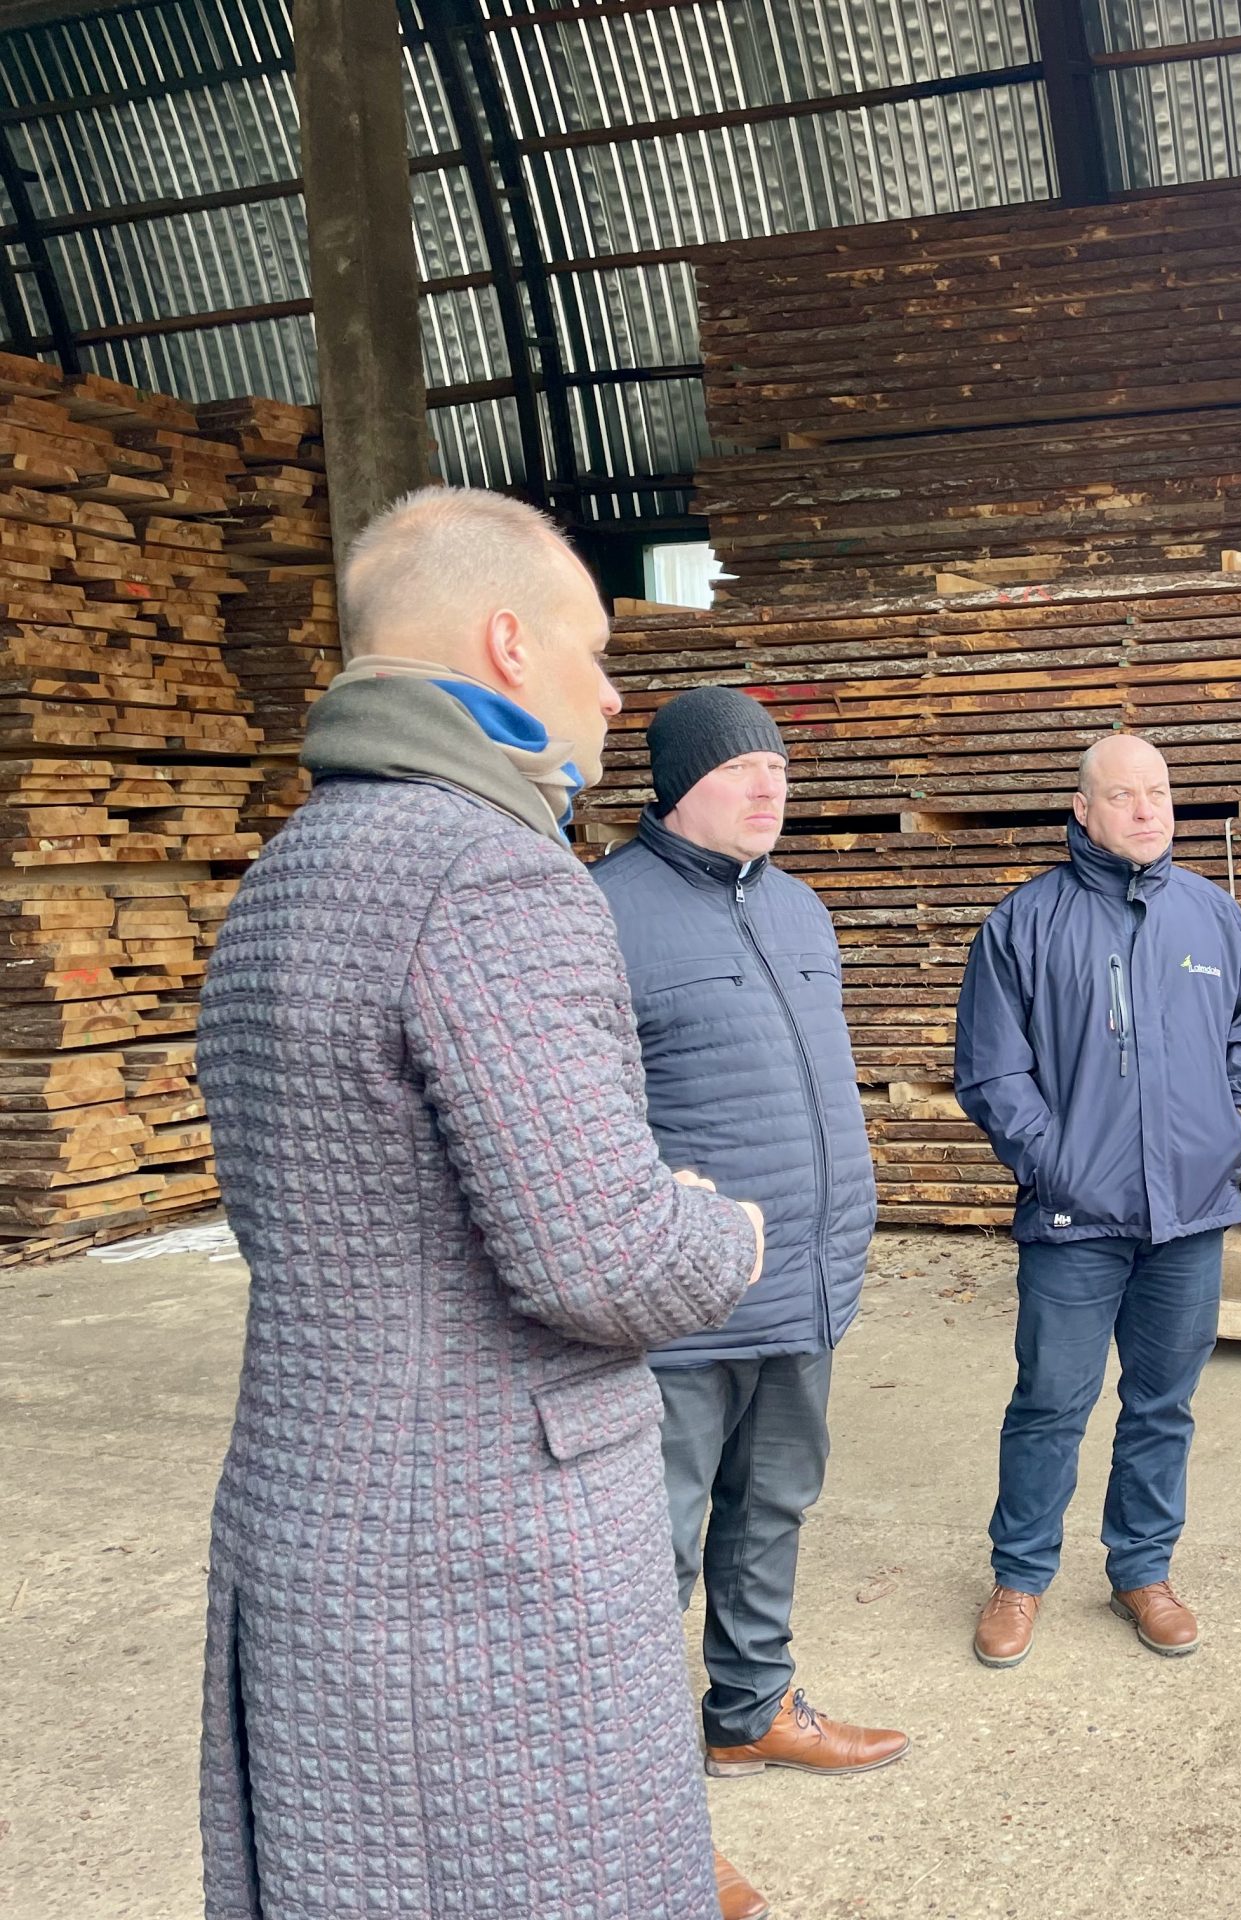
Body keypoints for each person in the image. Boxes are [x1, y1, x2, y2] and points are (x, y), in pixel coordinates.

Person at [197, 488, 775, 1920]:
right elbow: (607, 1262)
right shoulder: (491, 875)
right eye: (596, 651)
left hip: (315, 1520)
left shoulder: (288, 871)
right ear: (509, 644)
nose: (613, 692)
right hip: (479, 1572)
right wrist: (721, 1225)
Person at [592, 687, 908, 1818]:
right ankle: (619, 1787)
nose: (769, 786)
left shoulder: (798, 907)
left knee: (772, 1510)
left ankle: (750, 1712)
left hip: (803, 1284)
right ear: (679, 783)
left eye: (778, 767)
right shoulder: (603, 912)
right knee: (654, 1549)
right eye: (740, 768)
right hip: (683, 1302)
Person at [952, 732, 1241, 1668]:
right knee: (1051, 1401)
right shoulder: (1024, 924)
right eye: (1124, 795)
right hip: (1073, 1219)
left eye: (1159, 793)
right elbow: (992, 1068)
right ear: (1083, 809)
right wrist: (1054, 1163)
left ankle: (1143, 1570)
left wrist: (1233, 1121)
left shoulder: (1213, 918)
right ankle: (1020, 1577)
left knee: (1163, 1404)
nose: (1146, 810)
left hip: (1190, 1214)